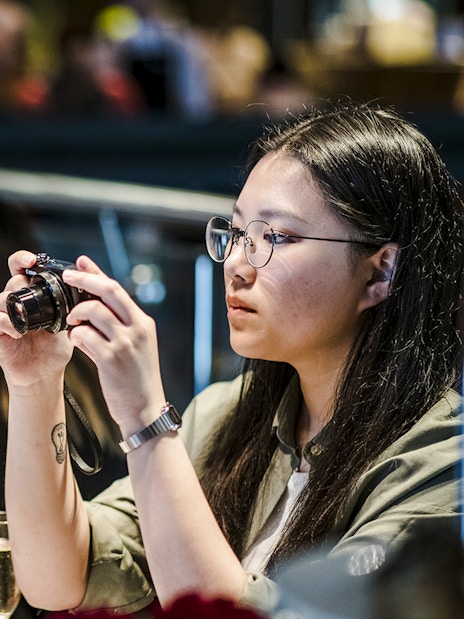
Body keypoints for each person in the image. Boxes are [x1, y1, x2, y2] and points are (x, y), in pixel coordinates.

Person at [0, 101, 463, 618]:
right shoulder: (226, 415)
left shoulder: (443, 462)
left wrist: (147, 418)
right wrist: (34, 384)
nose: (237, 264)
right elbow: (55, 578)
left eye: (278, 237)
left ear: (381, 273)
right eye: (238, 233)